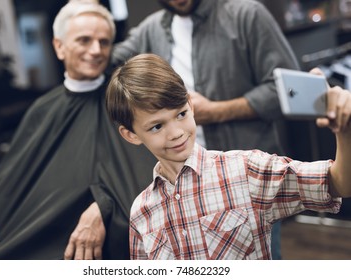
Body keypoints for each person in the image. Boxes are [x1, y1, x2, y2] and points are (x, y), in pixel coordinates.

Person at [105, 53, 351, 260]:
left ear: (190, 105)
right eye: (157, 126)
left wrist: (346, 131)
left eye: (180, 114)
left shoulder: (246, 170)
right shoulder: (141, 212)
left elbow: (339, 183)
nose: (176, 133)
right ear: (131, 135)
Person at [0, 2, 155, 260]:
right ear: (59, 46)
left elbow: (148, 178)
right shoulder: (42, 109)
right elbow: (9, 178)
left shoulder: (125, 104)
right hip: (36, 233)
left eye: (104, 42)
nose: (96, 50)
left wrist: (105, 207)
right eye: (84, 40)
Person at [111, 0, 301, 258]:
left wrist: (217, 110)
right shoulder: (151, 29)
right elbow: (106, 59)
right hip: (183, 184)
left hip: (244, 182)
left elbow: (288, 89)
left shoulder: (245, 14)